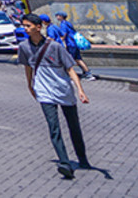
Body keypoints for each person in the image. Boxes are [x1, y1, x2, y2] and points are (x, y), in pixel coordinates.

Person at [19, 13, 90, 179]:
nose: (25, 29)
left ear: (38, 27)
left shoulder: (56, 47)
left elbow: (70, 69)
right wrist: (30, 85)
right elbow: (28, 68)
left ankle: (82, 158)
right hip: (43, 91)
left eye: (28, 26)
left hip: (63, 89)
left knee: (74, 126)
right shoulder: (24, 47)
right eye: (24, 25)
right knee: (54, 127)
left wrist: (80, 90)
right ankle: (64, 162)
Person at [49, 12, 96, 81]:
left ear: (62, 16)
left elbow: (64, 35)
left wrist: (58, 42)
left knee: (67, 60)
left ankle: (68, 75)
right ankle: (87, 73)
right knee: (78, 59)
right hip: (74, 44)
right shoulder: (68, 23)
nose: (57, 17)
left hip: (70, 44)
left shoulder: (63, 24)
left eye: (58, 16)